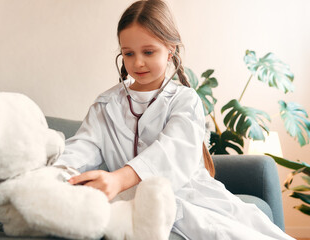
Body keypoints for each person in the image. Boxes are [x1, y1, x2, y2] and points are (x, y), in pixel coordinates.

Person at [55, 0, 294, 239]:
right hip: (131, 203)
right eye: (129, 53)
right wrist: (52, 170)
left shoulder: (185, 101)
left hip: (189, 197)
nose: (138, 62)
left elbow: (172, 151)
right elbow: (82, 148)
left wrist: (119, 179)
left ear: (170, 49)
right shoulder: (106, 105)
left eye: (148, 52)